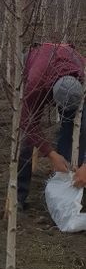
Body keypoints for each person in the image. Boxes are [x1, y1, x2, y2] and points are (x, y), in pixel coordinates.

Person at [17, 42, 86, 210]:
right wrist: (50, 153)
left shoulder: (83, 73)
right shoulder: (36, 82)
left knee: (75, 127)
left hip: (68, 64)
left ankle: (71, 176)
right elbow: (27, 121)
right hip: (41, 68)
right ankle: (18, 196)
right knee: (26, 140)